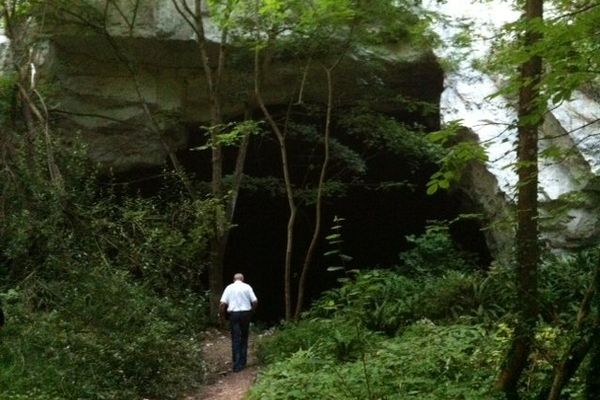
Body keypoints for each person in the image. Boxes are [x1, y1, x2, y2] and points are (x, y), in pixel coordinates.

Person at [219, 273, 257, 372]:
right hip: (245, 314)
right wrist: (252, 310)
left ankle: (236, 364)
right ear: (242, 279)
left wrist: (222, 318)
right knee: (244, 337)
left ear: (233, 279)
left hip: (234, 315)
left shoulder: (229, 288)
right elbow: (255, 301)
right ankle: (243, 362)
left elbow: (222, 304)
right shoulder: (247, 287)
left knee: (235, 338)